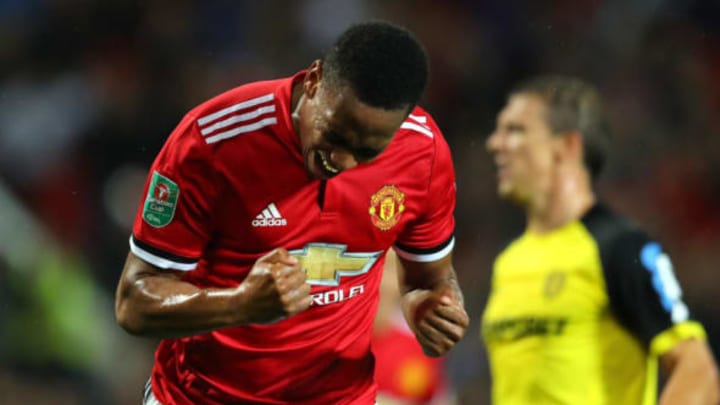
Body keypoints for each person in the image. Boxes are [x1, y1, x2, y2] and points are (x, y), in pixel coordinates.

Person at [114, 21, 469, 405]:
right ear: (314, 80)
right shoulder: (212, 141)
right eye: (335, 133)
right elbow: (134, 302)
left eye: (366, 152)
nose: (341, 160)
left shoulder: (423, 154)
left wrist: (432, 310)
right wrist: (238, 304)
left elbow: (428, 282)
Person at [481, 75, 720, 404]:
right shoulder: (508, 261)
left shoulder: (619, 247)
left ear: (566, 146)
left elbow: (698, 370)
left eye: (516, 130)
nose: (495, 143)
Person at [373, 249, 456, 405]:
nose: (381, 283)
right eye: (371, 270)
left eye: (389, 269)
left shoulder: (423, 347)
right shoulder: (324, 343)